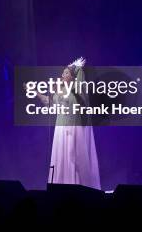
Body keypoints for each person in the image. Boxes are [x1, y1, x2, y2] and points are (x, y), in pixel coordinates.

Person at [34, 57, 101, 188]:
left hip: (71, 129)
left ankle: (73, 185)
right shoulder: (62, 89)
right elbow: (49, 101)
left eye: (65, 73)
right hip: (60, 129)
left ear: (72, 77)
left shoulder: (76, 91)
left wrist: (76, 68)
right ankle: (60, 185)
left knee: (72, 157)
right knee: (61, 157)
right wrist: (35, 92)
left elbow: (77, 94)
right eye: (63, 73)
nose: (62, 75)